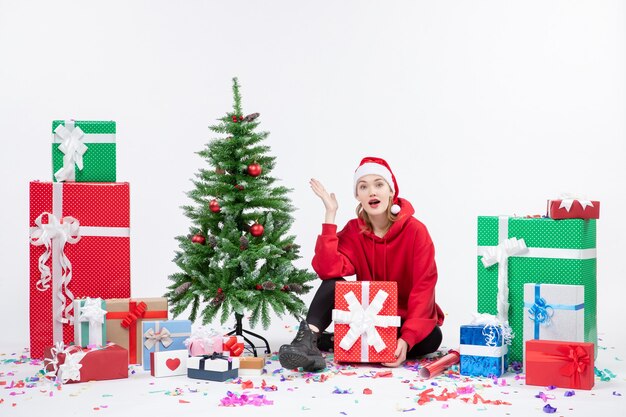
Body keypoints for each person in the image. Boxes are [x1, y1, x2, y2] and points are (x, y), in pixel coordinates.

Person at [279, 156, 445, 372]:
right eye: (363, 187)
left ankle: (332, 343)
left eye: (379, 184)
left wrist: (407, 340)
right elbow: (327, 269)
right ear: (358, 196)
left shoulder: (416, 231)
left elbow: (424, 287)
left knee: (432, 337)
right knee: (333, 283)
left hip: (400, 321)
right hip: (365, 317)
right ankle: (307, 340)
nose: (372, 192)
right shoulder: (354, 230)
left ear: (391, 191)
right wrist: (330, 215)